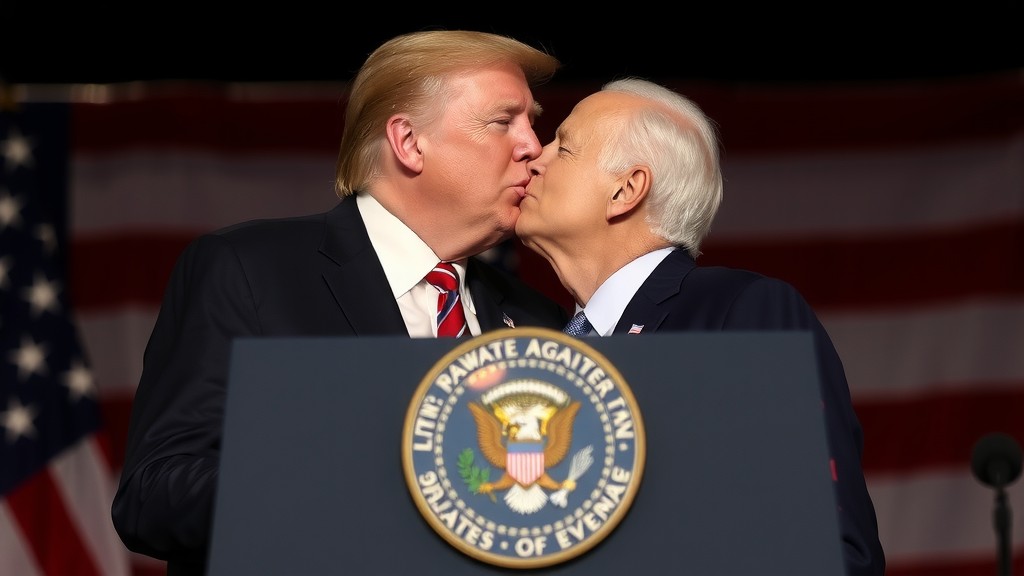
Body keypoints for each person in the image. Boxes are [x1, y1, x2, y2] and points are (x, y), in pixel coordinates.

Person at [111, 30, 568, 575]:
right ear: (408, 142)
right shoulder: (248, 270)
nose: (533, 147)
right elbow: (152, 496)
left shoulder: (540, 321)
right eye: (503, 121)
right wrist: (351, 489)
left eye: (531, 121)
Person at [515, 77, 886, 575]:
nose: (535, 156)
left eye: (565, 146)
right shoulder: (531, 348)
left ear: (627, 190)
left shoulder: (739, 312)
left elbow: (832, 552)